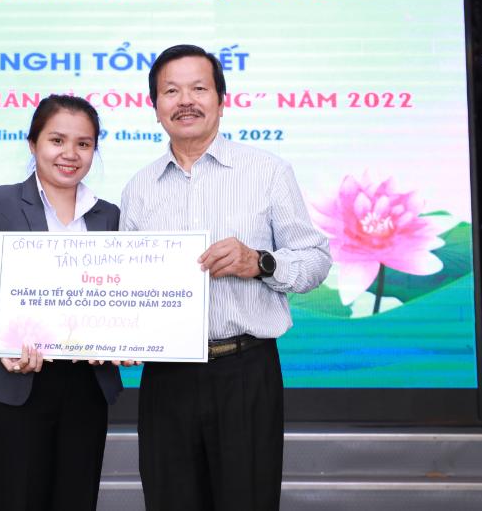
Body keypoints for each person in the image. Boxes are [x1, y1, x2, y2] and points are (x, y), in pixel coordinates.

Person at [121, 45, 331, 510]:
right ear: (154, 106)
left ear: (222, 100)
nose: (185, 101)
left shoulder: (267, 172)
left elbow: (315, 261)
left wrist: (260, 262)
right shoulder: (139, 189)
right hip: (166, 379)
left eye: (199, 88)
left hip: (244, 371)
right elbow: (127, 287)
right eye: (171, 91)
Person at [0, 94, 123, 511]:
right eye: (57, 140)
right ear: (33, 144)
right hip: (17, 381)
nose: (70, 154)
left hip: (87, 386)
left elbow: (119, 296)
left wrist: (123, 337)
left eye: (83, 143)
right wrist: (5, 341)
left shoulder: (109, 216)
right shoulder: (0, 202)